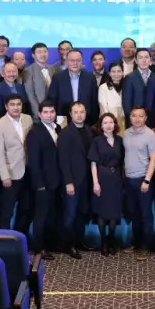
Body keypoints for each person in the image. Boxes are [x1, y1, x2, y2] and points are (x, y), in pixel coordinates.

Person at [26, 100, 63, 260]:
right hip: (42, 182)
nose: (49, 115)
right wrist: (39, 183)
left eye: (52, 112)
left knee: (52, 214)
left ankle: (50, 244)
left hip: (56, 180)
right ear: (39, 114)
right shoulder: (34, 133)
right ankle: (39, 248)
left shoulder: (58, 128)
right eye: (46, 112)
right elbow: (33, 162)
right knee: (41, 216)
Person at [0, 94, 33, 230]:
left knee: (26, 207)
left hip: (28, 171)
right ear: (6, 106)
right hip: (11, 173)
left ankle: (20, 235)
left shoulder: (28, 119)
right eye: (12, 105)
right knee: (7, 210)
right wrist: (4, 176)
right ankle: (4, 237)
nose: (16, 107)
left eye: (18, 104)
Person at [58, 102, 95, 258]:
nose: (79, 115)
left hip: (87, 180)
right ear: (70, 114)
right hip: (72, 181)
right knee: (70, 214)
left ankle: (79, 241)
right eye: (76, 112)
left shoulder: (89, 130)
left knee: (83, 212)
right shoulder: (65, 133)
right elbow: (63, 160)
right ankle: (69, 244)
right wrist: (68, 182)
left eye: (82, 112)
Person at [123, 107, 155, 259]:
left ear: (145, 118)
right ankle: (136, 242)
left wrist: (147, 179)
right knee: (133, 212)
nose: (137, 119)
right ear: (130, 117)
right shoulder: (126, 133)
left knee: (145, 214)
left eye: (140, 116)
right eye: (134, 116)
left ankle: (146, 245)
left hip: (143, 180)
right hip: (128, 179)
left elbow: (154, 159)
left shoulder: (150, 135)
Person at [89, 113, 125, 255]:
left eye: (111, 122)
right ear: (101, 126)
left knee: (114, 211)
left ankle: (111, 240)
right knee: (102, 212)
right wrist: (95, 183)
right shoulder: (97, 141)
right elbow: (93, 163)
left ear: (115, 124)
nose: (108, 125)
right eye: (105, 123)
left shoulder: (120, 140)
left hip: (116, 178)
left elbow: (123, 161)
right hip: (102, 177)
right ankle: (103, 241)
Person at [48, 49, 99, 125]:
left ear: (82, 62)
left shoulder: (90, 78)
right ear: (66, 62)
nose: (75, 63)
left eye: (78, 60)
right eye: (72, 60)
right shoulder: (57, 77)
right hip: (63, 119)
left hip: (86, 121)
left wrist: (94, 122)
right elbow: (52, 100)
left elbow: (94, 102)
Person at [24, 43, 55, 119]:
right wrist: (38, 113)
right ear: (33, 55)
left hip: (53, 110)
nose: (43, 54)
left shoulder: (52, 69)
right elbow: (30, 95)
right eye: (39, 52)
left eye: (45, 51)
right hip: (39, 113)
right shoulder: (28, 71)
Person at [98, 63, 126, 134]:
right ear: (109, 73)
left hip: (123, 121)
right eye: (113, 71)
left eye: (119, 71)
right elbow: (103, 108)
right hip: (109, 122)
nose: (116, 74)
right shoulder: (103, 87)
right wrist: (109, 123)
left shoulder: (125, 86)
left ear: (123, 72)